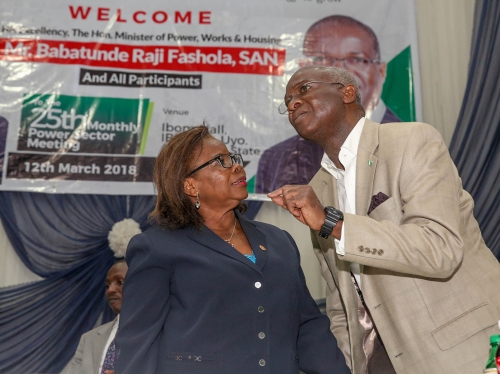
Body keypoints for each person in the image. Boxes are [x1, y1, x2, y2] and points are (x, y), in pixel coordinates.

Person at [268, 65, 500, 374]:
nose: (293, 103)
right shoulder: (319, 189)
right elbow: (341, 301)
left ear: (347, 92)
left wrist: (334, 224)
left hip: (460, 353)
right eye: (288, 101)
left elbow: (440, 249)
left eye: (304, 90)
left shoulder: (411, 140)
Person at [114, 125, 349, 374]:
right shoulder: (157, 247)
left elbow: (307, 326)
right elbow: (137, 343)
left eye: (232, 158)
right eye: (220, 162)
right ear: (190, 186)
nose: (237, 166)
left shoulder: (279, 241)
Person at [256, 15, 400, 193]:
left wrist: (339, 223)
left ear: (381, 71)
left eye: (356, 59)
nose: (341, 70)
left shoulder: (409, 143)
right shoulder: (275, 160)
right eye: (323, 60)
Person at [61, 260, 128, 374]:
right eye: (107, 285)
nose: (110, 290)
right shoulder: (88, 339)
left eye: (120, 282)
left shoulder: (159, 333)